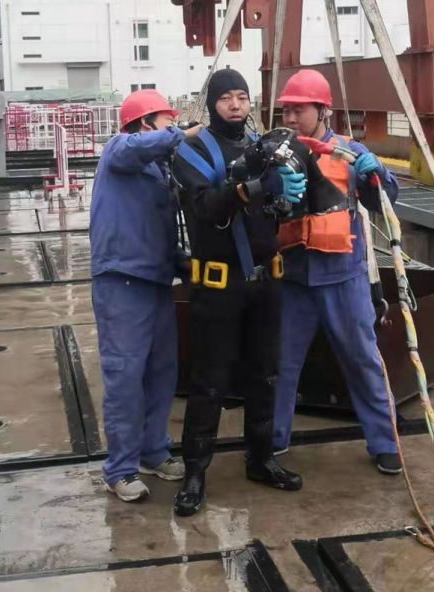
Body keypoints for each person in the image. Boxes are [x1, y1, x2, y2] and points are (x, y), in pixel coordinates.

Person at [171, 69, 306, 517]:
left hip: (265, 283)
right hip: (218, 285)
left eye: (242, 97)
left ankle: (261, 459)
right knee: (209, 382)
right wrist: (255, 186)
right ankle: (194, 473)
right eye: (226, 97)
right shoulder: (192, 151)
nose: (235, 105)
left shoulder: (263, 148)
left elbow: (281, 205)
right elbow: (207, 207)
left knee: (265, 375)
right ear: (212, 103)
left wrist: (285, 195)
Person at [272, 69, 402, 475]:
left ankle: (384, 443)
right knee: (281, 365)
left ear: (323, 110)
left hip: (343, 277)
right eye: (286, 111)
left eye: (299, 110)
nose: (290, 118)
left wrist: (376, 172)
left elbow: (386, 200)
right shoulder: (278, 153)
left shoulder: (349, 153)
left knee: (363, 360)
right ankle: (273, 440)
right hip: (294, 278)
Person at [90, 89, 202, 503]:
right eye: (166, 119)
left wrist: (183, 262)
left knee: (161, 372)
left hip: (155, 281)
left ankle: (153, 452)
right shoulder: (118, 151)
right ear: (144, 123)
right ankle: (119, 469)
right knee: (125, 376)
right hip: (121, 282)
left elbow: (158, 229)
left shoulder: (157, 171)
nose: (172, 125)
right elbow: (133, 147)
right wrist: (180, 134)